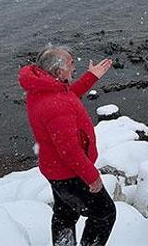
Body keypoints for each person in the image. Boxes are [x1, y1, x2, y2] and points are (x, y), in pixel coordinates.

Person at [18, 45, 115, 246]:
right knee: (104, 214)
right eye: (71, 64)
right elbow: (69, 151)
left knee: (65, 215)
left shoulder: (42, 88)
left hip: (55, 170)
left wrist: (91, 77)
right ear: (58, 72)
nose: (74, 67)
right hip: (71, 174)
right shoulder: (56, 106)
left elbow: (67, 93)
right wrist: (92, 177)